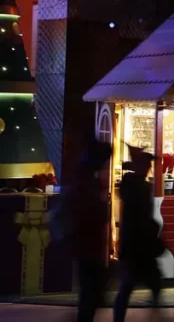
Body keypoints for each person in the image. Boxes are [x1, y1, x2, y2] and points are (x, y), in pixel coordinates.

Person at [60, 138, 113, 322]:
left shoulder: (84, 177)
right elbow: (90, 215)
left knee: (89, 293)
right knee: (91, 293)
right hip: (88, 246)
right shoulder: (88, 184)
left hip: (85, 245)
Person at [113, 147, 164, 322]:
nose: (149, 167)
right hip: (139, 245)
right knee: (141, 284)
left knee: (135, 285)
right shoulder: (138, 186)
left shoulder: (133, 185)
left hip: (136, 244)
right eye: (147, 164)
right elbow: (142, 216)